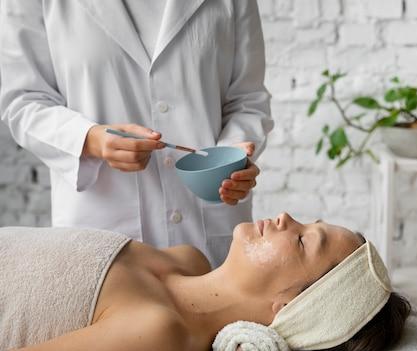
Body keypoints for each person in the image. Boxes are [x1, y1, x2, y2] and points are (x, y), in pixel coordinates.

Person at [0, 213, 411, 351]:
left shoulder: (158, 336)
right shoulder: (186, 260)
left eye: (303, 241)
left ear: (289, 306)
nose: (286, 218)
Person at [0, 0, 273, 268]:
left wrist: (229, 159)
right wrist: (90, 139)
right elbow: (24, 101)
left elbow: (247, 99)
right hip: (102, 234)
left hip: (210, 233)